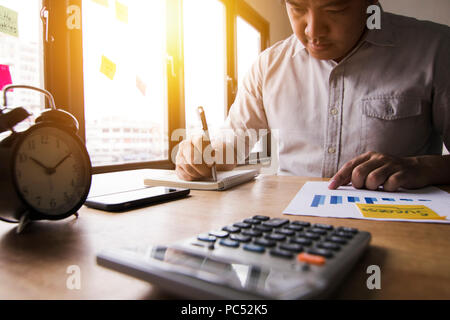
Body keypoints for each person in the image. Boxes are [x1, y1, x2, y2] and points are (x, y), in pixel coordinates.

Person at [175, 0, 450, 191]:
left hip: (395, 228)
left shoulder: (435, 50)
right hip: (288, 231)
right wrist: (203, 153)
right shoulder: (268, 66)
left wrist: (423, 167)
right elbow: (232, 143)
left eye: (336, 9)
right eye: (296, 8)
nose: (313, 31)